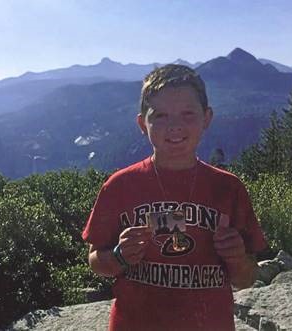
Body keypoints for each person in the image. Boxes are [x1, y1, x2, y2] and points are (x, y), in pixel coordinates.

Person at [82, 64, 267, 331]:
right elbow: (95, 260)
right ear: (142, 124)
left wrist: (237, 258)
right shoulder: (119, 187)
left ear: (207, 118)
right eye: (160, 116)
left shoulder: (229, 189)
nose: (175, 126)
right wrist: (120, 256)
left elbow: (247, 278)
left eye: (188, 114)